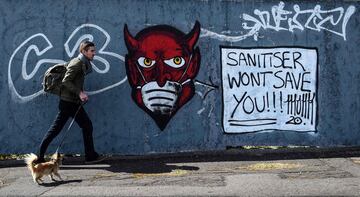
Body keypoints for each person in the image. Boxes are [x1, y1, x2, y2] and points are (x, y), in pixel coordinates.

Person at [37, 40, 104, 164]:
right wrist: (80, 93)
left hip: (72, 102)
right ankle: (39, 157)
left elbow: (75, 81)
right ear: (83, 51)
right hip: (68, 103)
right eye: (92, 51)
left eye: (94, 51)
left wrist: (80, 94)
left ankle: (90, 156)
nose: (94, 53)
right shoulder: (76, 63)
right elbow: (66, 81)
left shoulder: (82, 63)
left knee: (85, 126)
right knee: (57, 129)